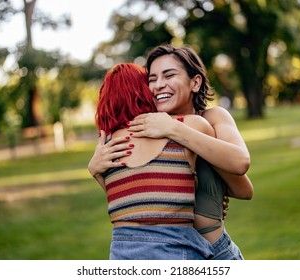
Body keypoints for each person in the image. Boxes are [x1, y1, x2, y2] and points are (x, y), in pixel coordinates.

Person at [88, 44, 253, 260]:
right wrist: (96, 170)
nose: (158, 85)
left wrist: (174, 129)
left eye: (169, 75)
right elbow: (139, 201)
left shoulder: (212, 118)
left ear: (195, 82)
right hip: (174, 246)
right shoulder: (148, 127)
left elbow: (243, 186)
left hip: (210, 247)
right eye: (152, 79)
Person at [92, 62, 217, 260]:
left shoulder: (106, 147)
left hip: (121, 252)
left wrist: (96, 172)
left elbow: (132, 205)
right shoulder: (187, 125)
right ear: (144, 90)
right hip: (175, 248)